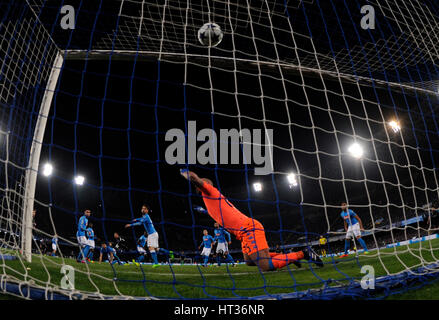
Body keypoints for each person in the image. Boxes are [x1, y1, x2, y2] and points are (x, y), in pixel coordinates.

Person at [180, 169, 323, 271]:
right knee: (249, 261)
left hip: (248, 229)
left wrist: (184, 172)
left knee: (265, 266)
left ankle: (303, 253)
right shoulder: (209, 199)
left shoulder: (210, 192)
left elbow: (195, 178)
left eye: (201, 185)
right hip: (244, 232)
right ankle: (288, 256)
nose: (198, 186)